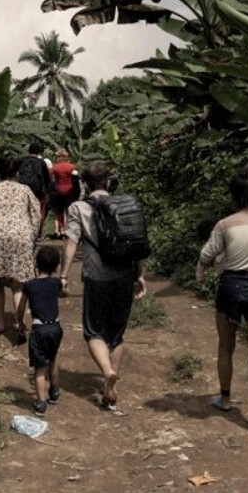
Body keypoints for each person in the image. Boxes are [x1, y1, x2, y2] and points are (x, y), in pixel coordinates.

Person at [195, 167, 248, 435]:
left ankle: (226, 398)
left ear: (233, 195)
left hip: (230, 285)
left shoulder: (225, 224)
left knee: (226, 347)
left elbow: (207, 254)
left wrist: (203, 269)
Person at [59, 161, 146, 412]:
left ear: (85, 184)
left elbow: (71, 244)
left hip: (96, 276)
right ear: (108, 182)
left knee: (94, 331)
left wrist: (63, 275)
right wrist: (139, 275)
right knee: (116, 334)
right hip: (124, 275)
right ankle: (110, 385)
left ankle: (107, 371)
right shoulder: (124, 205)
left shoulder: (78, 208)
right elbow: (135, 243)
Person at [0, 153, 40, 342]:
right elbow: (36, 216)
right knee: (18, 283)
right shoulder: (25, 190)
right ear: (17, 172)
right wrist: (31, 236)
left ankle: (0, 322)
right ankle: (20, 324)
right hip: (20, 235)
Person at [17, 246, 65, 416]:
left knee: (39, 368)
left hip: (39, 328)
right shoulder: (56, 283)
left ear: (36, 264)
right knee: (52, 359)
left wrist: (20, 323)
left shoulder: (29, 285)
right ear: (56, 266)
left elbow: (21, 306)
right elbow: (60, 290)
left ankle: (41, 402)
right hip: (56, 328)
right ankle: (54, 391)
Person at [19, 142, 53, 239]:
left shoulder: (22, 160)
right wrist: (47, 191)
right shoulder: (41, 162)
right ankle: (37, 234)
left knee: (24, 210)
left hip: (23, 190)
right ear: (39, 151)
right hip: (37, 192)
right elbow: (47, 179)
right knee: (38, 212)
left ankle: (24, 231)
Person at [48, 148, 79, 238]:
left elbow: (51, 178)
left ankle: (61, 230)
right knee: (68, 211)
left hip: (58, 191)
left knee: (59, 212)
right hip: (70, 191)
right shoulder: (72, 167)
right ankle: (68, 230)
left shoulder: (55, 167)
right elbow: (75, 178)